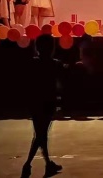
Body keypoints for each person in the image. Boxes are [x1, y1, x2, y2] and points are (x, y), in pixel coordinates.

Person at [21, 35, 63, 178]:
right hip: (48, 103)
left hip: (35, 103)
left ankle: (47, 163)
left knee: (40, 134)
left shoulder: (32, 63)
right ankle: (28, 164)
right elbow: (59, 84)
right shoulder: (55, 64)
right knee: (41, 135)